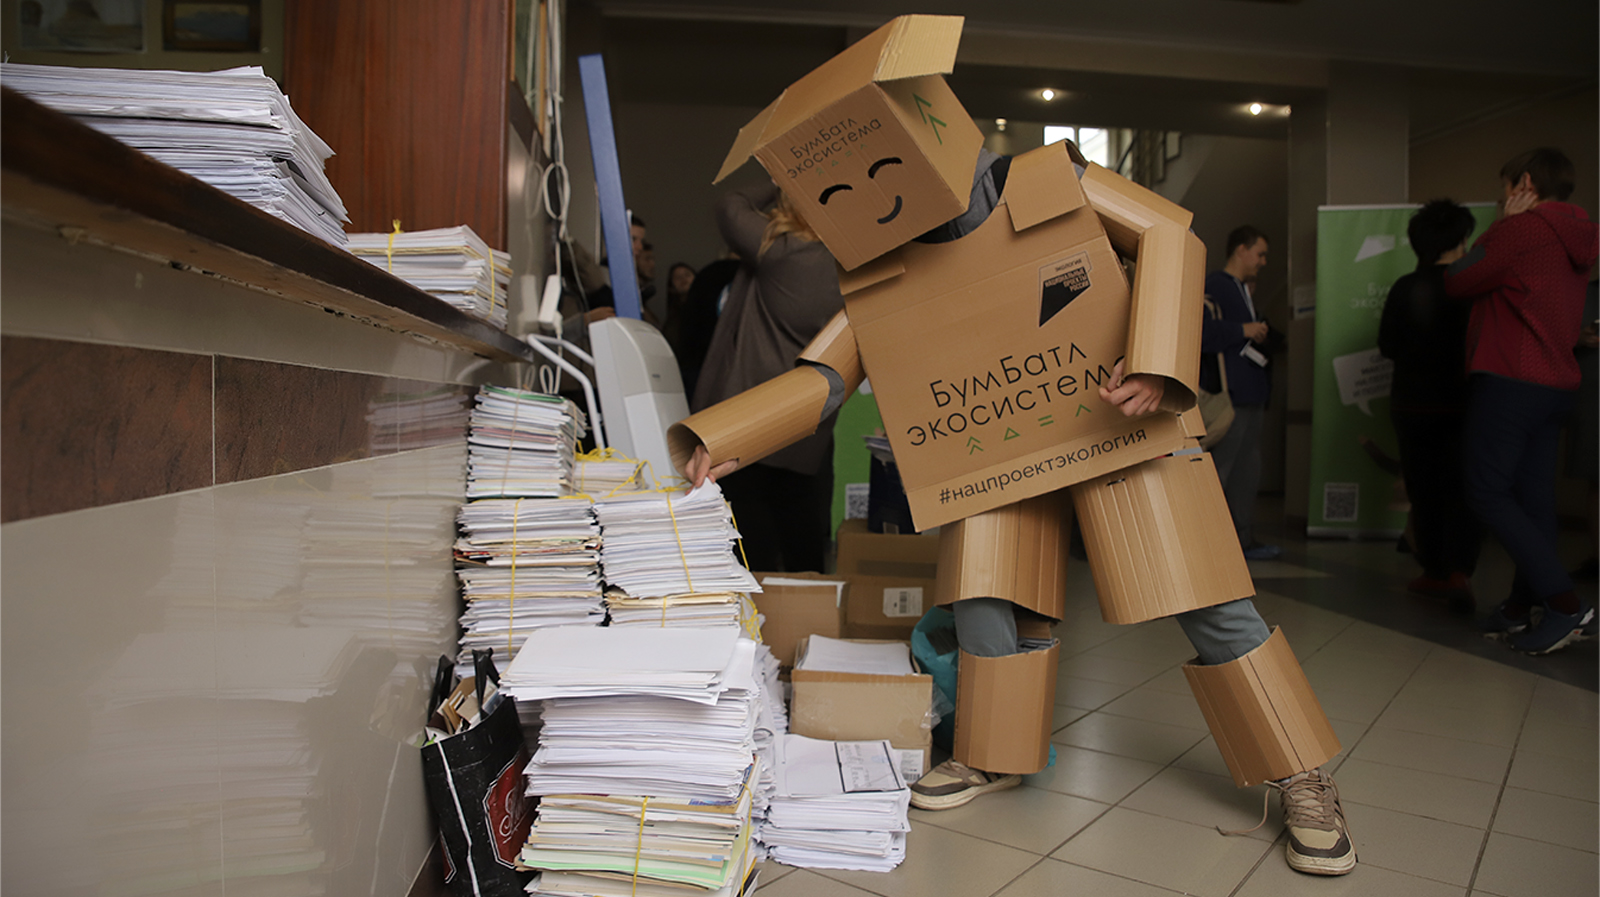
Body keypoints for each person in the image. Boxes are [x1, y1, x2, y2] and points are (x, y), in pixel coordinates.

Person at [674, 15, 1355, 876]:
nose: (869, 195)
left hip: (1121, 421)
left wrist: (1156, 360)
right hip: (996, 451)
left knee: (1205, 595)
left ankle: (1301, 770)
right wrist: (723, 437)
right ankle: (992, 750)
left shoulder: (1047, 179)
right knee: (985, 595)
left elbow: (1168, 236)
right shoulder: (882, 267)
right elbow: (826, 374)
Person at [1444, 147, 1600, 654]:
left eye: (1505, 187)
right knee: (1535, 501)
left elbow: (1458, 279)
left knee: (1485, 490)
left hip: (1511, 379)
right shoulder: (1579, 232)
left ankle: (1566, 604)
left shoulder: (1521, 229)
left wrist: (1500, 227)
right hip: (1555, 382)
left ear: (1525, 185)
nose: (1502, 197)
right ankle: (1518, 607)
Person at [690, 183, 844, 573]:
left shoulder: (780, 248)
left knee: (748, 553)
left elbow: (730, 204)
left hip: (748, 422)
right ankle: (804, 611)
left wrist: (782, 179)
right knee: (802, 545)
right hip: (807, 425)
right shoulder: (854, 265)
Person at [1377, 200, 1481, 611]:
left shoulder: (1405, 287)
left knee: (1423, 490)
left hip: (1412, 405)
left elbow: (1387, 345)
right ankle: (1459, 571)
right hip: (1462, 405)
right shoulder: (1471, 288)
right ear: (1461, 239)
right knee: (1461, 489)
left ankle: (1434, 570)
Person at [1201, 226, 1280, 560]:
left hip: (1249, 392)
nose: (1262, 262)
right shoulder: (1217, 285)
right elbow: (1201, 333)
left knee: (1246, 470)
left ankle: (1240, 539)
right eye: (1259, 254)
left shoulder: (1240, 289)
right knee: (1225, 468)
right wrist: (1242, 330)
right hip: (1232, 394)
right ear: (1241, 250)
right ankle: (1213, 542)